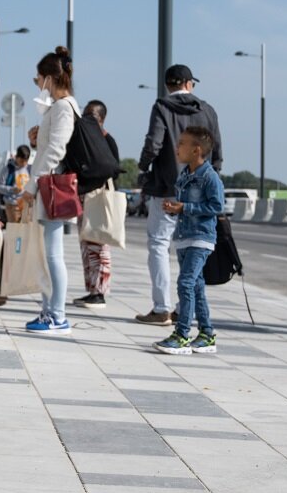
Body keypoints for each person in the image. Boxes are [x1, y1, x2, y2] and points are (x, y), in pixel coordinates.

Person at [134, 64, 223, 327]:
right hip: (198, 191)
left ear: (168, 85)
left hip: (166, 188)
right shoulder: (207, 110)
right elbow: (217, 149)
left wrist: (143, 166)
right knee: (191, 247)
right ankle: (187, 309)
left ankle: (161, 307)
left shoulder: (161, 107)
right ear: (188, 83)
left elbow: (153, 143)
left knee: (159, 244)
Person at [153, 126, 225, 355]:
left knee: (185, 283)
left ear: (196, 150)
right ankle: (206, 334)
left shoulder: (209, 177)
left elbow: (216, 207)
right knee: (196, 286)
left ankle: (182, 334)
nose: (177, 147)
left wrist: (186, 207)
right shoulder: (185, 174)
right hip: (184, 237)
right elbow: (185, 205)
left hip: (201, 239)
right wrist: (175, 209)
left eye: (182, 143)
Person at [21, 47, 78, 336]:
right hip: (50, 185)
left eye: (38, 79)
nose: (38, 85)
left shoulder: (63, 107)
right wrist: (35, 141)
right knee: (48, 254)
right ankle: (50, 311)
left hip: (52, 188)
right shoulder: (60, 108)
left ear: (49, 78)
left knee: (53, 254)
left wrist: (31, 187)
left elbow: (56, 150)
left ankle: (57, 315)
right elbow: (49, 148)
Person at [71, 99, 119, 309]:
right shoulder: (84, 138)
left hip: (99, 196)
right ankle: (91, 289)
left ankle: (100, 291)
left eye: (93, 115)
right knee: (87, 245)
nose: (88, 119)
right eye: (85, 114)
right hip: (85, 197)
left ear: (102, 118)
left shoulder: (108, 140)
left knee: (99, 244)